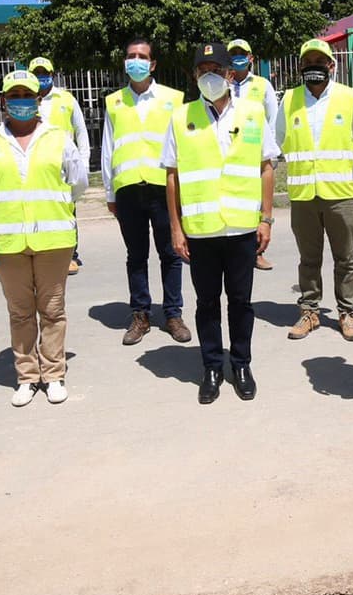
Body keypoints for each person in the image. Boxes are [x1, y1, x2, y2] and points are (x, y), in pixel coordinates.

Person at [164, 42, 278, 404]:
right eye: (203, 70)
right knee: (207, 303)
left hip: (242, 229)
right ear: (194, 76)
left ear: (230, 73)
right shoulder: (181, 118)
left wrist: (266, 218)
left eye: (216, 70)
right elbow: (172, 175)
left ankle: (241, 364)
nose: (210, 76)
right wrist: (176, 228)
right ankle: (212, 366)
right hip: (201, 230)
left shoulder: (253, 113)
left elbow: (266, 167)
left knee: (241, 302)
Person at [0, 69, 88, 406]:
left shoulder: (59, 139)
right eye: (14, 96)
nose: (21, 101)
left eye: (27, 96)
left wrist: (56, 205)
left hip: (53, 241)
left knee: (52, 310)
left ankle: (54, 374)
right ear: (3, 100)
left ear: (38, 100)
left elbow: (78, 183)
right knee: (20, 312)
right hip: (7, 245)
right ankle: (27, 376)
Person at [100, 37, 192, 345]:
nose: (135, 61)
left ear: (152, 64)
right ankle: (140, 314)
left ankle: (173, 314)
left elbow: (182, 147)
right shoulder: (114, 102)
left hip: (163, 188)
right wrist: (110, 193)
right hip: (128, 189)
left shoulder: (173, 98)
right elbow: (108, 148)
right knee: (136, 255)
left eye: (141, 56)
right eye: (131, 56)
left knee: (170, 253)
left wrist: (183, 191)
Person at [276, 37, 353, 341]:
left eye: (319, 61)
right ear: (301, 66)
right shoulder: (289, 99)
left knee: (345, 259)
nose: (313, 66)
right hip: (304, 196)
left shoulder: (349, 98)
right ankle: (309, 311)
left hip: (341, 194)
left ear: (331, 65)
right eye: (308, 62)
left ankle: (347, 313)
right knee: (309, 259)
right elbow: (280, 139)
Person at [30, 56, 90, 276]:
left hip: (63, 166)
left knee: (66, 210)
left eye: (44, 73)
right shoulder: (27, 100)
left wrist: (83, 163)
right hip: (36, 165)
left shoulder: (66, 99)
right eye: (36, 74)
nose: (41, 77)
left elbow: (81, 131)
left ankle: (71, 255)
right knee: (38, 209)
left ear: (52, 75)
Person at [228, 38, 280, 271]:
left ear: (251, 58)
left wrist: (272, 152)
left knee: (259, 203)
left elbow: (273, 118)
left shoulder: (262, 84)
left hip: (255, 150)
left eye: (242, 53)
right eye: (233, 54)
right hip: (231, 151)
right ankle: (237, 250)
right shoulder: (223, 83)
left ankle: (257, 252)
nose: (238, 58)